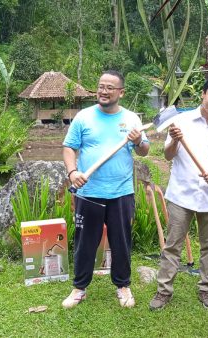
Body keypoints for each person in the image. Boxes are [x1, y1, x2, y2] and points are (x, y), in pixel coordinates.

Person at [61, 70, 150, 309]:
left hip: (121, 192)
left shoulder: (132, 119)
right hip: (88, 191)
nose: (104, 91)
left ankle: (123, 285)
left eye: (110, 87)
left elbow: (144, 151)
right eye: (101, 86)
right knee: (84, 241)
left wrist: (138, 141)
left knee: (121, 241)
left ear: (121, 92)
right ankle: (80, 288)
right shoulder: (83, 117)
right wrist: (72, 172)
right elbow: (69, 148)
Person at [149, 74, 208, 310]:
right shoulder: (181, 122)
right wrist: (175, 141)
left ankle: (207, 290)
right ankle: (163, 291)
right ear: (203, 95)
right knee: (173, 246)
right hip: (181, 194)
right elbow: (168, 155)